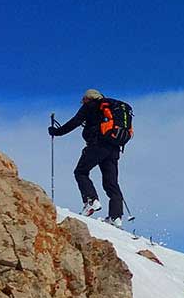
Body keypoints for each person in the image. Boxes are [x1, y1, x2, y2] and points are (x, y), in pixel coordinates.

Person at [49, 88, 128, 225]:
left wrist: (57, 132)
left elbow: (75, 122)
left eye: (83, 100)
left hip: (97, 145)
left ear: (88, 98)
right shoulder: (111, 109)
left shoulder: (90, 106)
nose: (82, 102)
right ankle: (116, 217)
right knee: (111, 183)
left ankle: (91, 201)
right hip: (114, 149)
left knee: (81, 172)